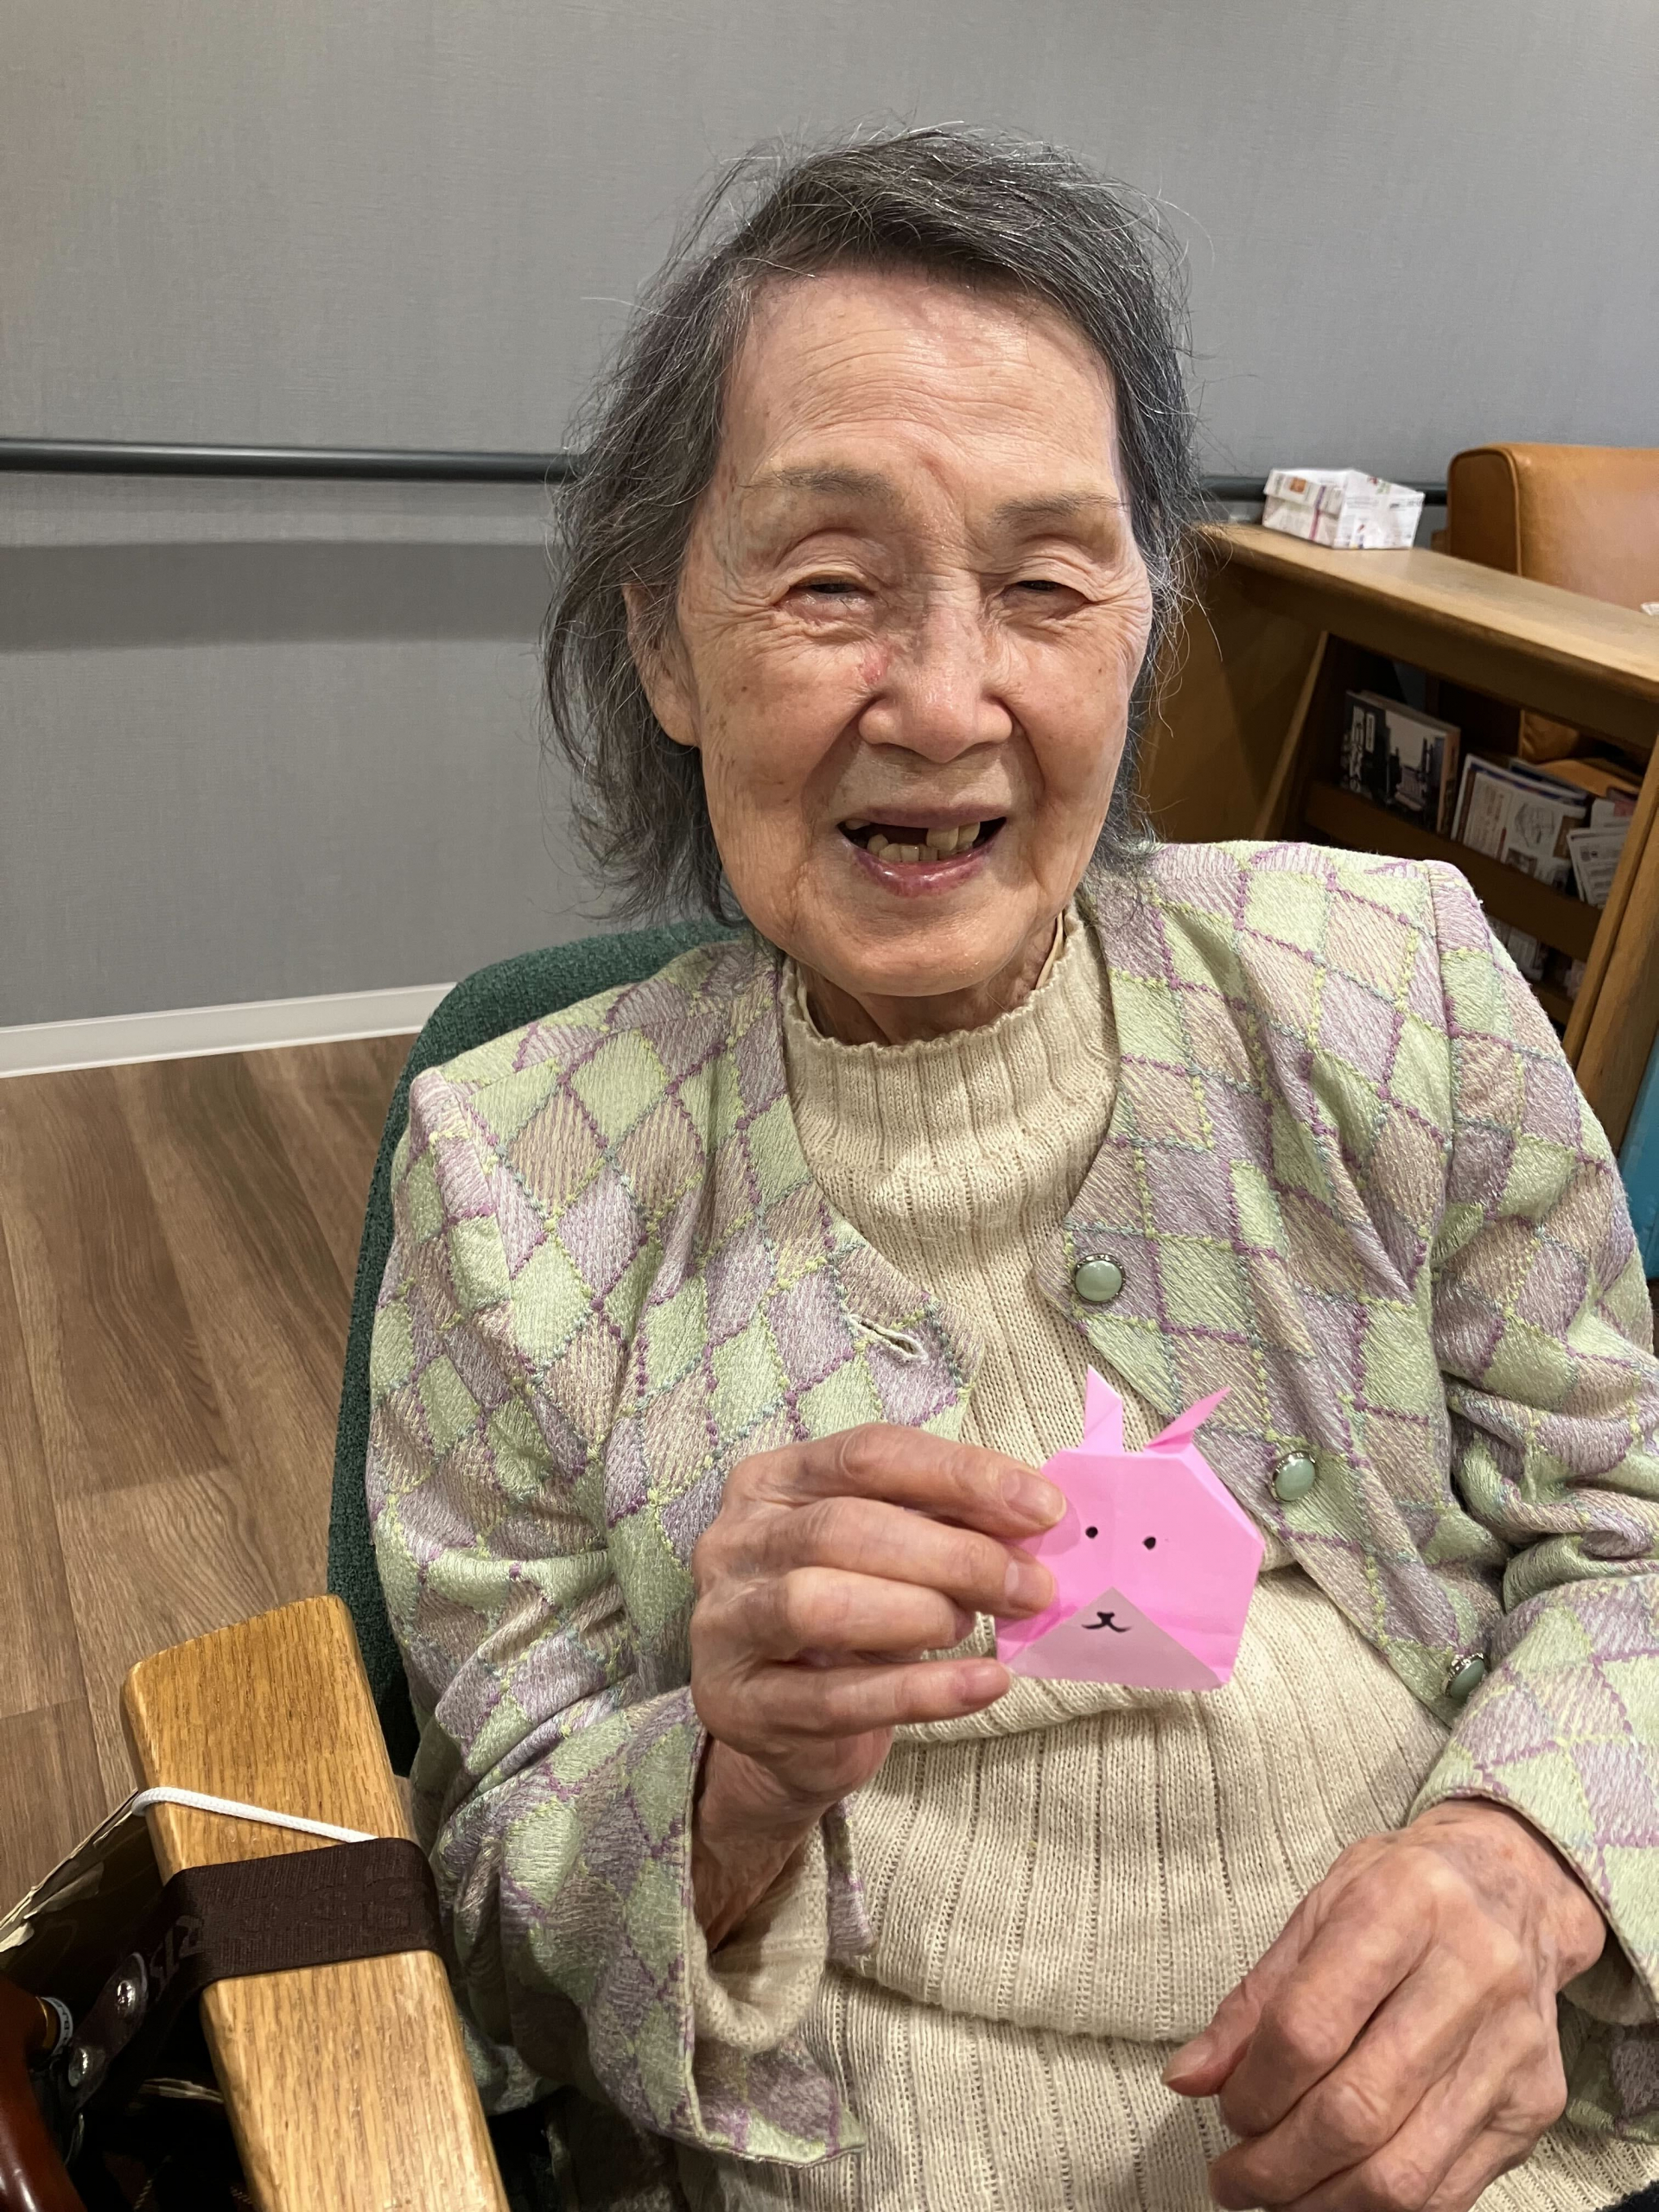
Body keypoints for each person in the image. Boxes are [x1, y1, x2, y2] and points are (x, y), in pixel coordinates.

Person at [366, 129, 1659, 2212]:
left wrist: (1528, 1864)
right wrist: (722, 1779)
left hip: (1487, 2136)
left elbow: (1632, 1531)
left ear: (1144, 631)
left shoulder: (1398, 992)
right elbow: (499, 1893)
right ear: (667, 646)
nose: (947, 696)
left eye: (1048, 584)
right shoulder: (518, 1176)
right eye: (831, 581)